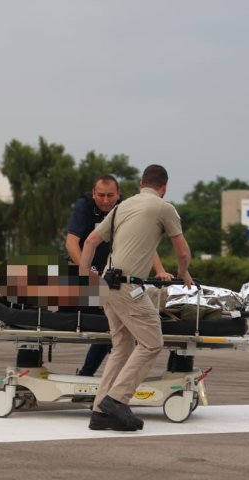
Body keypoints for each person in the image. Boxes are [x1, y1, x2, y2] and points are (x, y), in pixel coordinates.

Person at [79, 164, 192, 431]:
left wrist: (86, 278)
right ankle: (116, 400)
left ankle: (99, 413)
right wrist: (183, 274)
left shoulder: (122, 207)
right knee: (153, 343)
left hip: (106, 285)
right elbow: (183, 253)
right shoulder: (164, 208)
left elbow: (91, 242)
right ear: (164, 187)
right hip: (129, 287)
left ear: (141, 183)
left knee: (122, 347)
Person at [65, 174, 171, 377]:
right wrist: (86, 274)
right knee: (111, 324)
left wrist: (159, 270)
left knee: (112, 325)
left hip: (111, 273)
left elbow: (145, 243)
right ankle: (87, 375)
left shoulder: (125, 208)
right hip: (84, 268)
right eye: (101, 195)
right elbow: (72, 243)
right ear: (93, 193)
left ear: (118, 195)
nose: (106, 200)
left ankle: (88, 376)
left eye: (110, 196)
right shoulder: (84, 207)